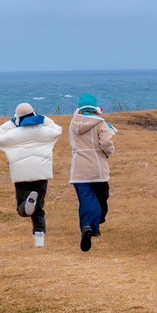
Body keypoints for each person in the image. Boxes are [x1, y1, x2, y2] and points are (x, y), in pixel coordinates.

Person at [0, 102, 62, 247]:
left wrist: (11, 123)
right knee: (39, 208)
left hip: (22, 175)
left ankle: (27, 203)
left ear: (18, 117)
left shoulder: (12, 134)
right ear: (34, 114)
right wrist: (43, 119)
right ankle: (39, 237)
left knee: (22, 210)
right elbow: (57, 129)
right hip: (41, 173)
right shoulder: (45, 131)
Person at [68, 93, 117, 252]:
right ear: (95, 108)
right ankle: (94, 226)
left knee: (86, 198)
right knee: (101, 197)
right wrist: (109, 153)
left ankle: (88, 226)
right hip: (97, 167)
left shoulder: (73, 124)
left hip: (78, 169)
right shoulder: (101, 123)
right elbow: (106, 143)